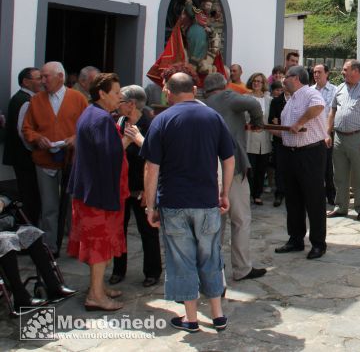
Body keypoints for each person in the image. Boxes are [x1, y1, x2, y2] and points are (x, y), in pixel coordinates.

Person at [142, 72, 234, 333]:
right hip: (206, 200)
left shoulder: (162, 120)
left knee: (182, 259)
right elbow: (229, 159)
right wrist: (224, 192)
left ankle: (191, 318)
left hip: (174, 200)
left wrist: (150, 205)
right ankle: (217, 314)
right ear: (194, 89)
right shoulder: (213, 117)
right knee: (210, 255)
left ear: (168, 92)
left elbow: (151, 167)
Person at [66, 73, 129, 312]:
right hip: (98, 193)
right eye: (116, 92)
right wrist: (130, 139)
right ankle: (95, 295)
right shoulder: (101, 119)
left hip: (89, 190)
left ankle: (99, 287)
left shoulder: (91, 113)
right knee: (99, 245)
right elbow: (110, 156)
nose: (120, 96)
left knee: (98, 244)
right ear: (102, 94)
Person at [204, 73, 267, 282]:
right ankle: (242, 268)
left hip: (209, 169)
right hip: (232, 166)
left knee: (216, 223)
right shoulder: (227, 97)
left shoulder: (202, 103)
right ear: (224, 86)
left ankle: (214, 269)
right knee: (240, 219)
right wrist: (258, 122)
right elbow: (252, 102)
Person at [22, 62, 88, 254]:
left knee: (73, 207)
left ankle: (76, 247)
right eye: (41, 77)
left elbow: (87, 126)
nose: (42, 81)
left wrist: (76, 138)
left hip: (72, 161)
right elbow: (27, 128)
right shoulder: (36, 100)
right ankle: (50, 248)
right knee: (49, 206)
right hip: (44, 160)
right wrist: (37, 138)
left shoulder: (77, 98)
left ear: (60, 76)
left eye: (46, 76)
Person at [274, 66, 329, 260]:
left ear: (295, 78)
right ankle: (295, 239)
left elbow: (318, 107)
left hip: (310, 153)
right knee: (293, 198)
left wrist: (300, 122)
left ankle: (318, 243)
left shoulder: (309, 93)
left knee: (314, 199)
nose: (282, 80)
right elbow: (288, 131)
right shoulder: (290, 100)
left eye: (285, 77)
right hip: (291, 153)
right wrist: (268, 129)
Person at [110, 85, 162, 287]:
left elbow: (154, 159)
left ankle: (152, 271)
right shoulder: (119, 122)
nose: (116, 105)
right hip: (121, 186)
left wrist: (148, 190)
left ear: (131, 105)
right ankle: (118, 269)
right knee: (118, 229)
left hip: (142, 187)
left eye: (120, 101)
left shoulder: (150, 125)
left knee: (148, 230)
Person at [0, 191, 77, 315]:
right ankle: (20, 297)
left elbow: (7, 194)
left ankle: (53, 286)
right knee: (7, 242)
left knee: (32, 233)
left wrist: (2, 201)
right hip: (3, 235)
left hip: (5, 225)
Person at [327, 60, 360, 221]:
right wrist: (327, 133)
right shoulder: (340, 88)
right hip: (339, 137)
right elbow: (332, 111)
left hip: (359, 137)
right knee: (339, 175)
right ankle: (340, 206)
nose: (342, 72)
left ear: (355, 71)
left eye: (345, 69)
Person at [3, 67, 43, 225]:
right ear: (26, 81)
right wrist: (34, 150)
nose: (41, 81)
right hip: (25, 158)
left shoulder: (21, 98)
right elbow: (23, 131)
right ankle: (29, 227)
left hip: (19, 157)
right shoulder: (26, 100)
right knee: (30, 194)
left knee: (27, 192)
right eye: (38, 78)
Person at [244, 72, 273, 206]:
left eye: (259, 81)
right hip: (250, 137)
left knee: (262, 169)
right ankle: (248, 194)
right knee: (250, 169)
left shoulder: (269, 100)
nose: (256, 83)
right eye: (254, 81)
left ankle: (257, 195)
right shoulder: (245, 98)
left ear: (263, 84)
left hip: (264, 138)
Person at [313, 64, 338, 205]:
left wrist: (327, 131)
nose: (316, 74)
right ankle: (317, 194)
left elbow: (333, 112)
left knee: (328, 166)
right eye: (314, 72)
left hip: (327, 133)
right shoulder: (309, 91)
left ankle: (331, 194)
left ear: (327, 74)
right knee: (315, 166)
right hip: (312, 134)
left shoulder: (335, 90)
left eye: (319, 72)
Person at [268, 80, 289, 207]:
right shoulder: (276, 101)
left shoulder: (298, 100)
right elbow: (272, 120)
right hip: (279, 140)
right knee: (280, 168)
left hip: (295, 139)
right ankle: (279, 193)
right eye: (284, 85)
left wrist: (279, 121)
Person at [184, 0, 214, 66]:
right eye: (207, 5)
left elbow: (212, 28)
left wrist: (210, 29)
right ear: (203, 5)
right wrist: (188, 0)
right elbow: (190, 11)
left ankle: (199, 61)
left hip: (204, 38)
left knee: (203, 44)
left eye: (210, 6)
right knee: (197, 39)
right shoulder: (197, 12)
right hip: (195, 32)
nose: (209, 7)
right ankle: (193, 60)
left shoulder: (208, 17)